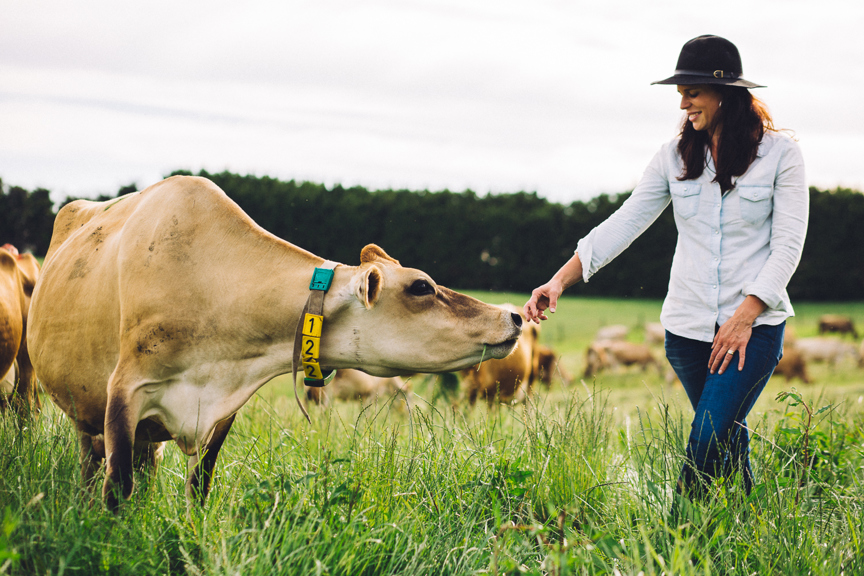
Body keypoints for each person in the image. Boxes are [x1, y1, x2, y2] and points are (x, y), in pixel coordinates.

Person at [523, 35, 808, 501]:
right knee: (724, 435)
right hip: (687, 328)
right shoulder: (673, 156)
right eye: (681, 91)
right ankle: (748, 526)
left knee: (708, 437)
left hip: (753, 328)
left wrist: (745, 315)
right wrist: (558, 281)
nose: (683, 101)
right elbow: (625, 223)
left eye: (692, 90)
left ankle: (679, 537)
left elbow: (789, 244)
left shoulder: (781, 155)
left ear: (725, 92)